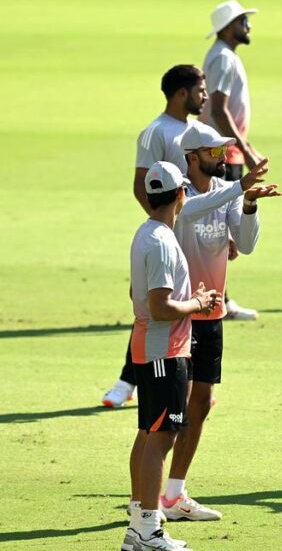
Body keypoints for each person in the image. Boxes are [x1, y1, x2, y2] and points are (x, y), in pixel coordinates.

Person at [160, 124, 280, 522]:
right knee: (170, 413)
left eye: (224, 151)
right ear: (193, 157)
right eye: (215, 152)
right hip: (180, 314)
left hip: (211, 315)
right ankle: (145, 499)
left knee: (200, 405)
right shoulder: (178, 193)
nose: (224, 157)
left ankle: (174, 494)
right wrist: (238, 188)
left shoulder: (226, 192)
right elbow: (188, 212)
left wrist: (249, 206)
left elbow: (245, 244)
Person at [123, 161, 218, 551]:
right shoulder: (162, 241)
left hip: (150, 346)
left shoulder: (146, 233)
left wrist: (186, 300)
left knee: (150, 433)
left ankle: (138, 522)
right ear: (180, 194)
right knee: (162, 438)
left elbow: (137, 294)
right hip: (165, 350)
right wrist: (197, 302)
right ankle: (147, 529)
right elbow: (160, 307)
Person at [103, 64, 208, 410]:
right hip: (172, 235)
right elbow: (141, 187)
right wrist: (165, 228)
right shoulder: (155, 132)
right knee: (154, 306)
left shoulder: (198, 130)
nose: (205, 96)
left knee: (194, 305)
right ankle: (128, 380)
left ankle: (191, 383)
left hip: (199, 236)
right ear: (182, 93)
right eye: (200, 89)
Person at [200, 0, 264, 321]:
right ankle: (216, 301)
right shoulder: (223, 58)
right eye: (242, 21)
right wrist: (247, 153)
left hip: (226, 152)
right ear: (227, 27)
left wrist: (247, 147)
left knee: (220, 229)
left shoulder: (223, 55)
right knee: (219, 228)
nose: (248, 26)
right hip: (222, 155)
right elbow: (220, 111)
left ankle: (218, 298)